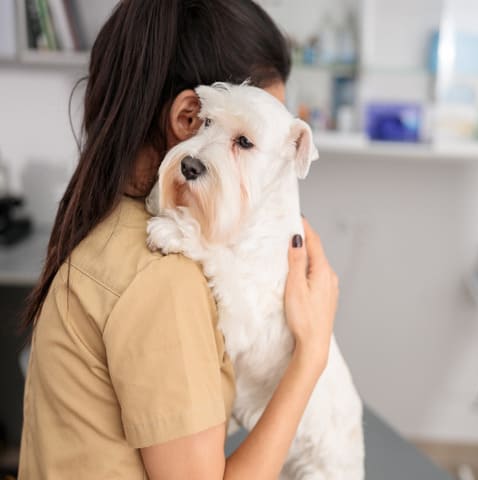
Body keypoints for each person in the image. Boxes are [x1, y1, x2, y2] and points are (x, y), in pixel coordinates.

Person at [18, 1, 339, 479]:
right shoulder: (163, 276)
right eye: (248, 144)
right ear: (191, 118)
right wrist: (310, 357)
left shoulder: (111, 223)